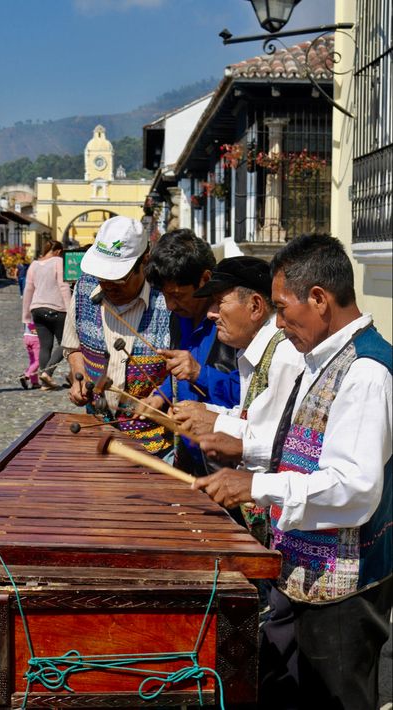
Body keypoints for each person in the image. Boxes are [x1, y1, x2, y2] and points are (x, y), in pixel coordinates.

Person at [193, 235, 392, 710]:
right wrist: (238, 444)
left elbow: (355, 487)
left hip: (345, 583)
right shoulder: (321, 357)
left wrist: (256, 485)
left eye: (282, 309)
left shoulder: (365, 371)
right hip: (307, 567)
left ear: (319, 299)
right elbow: (300, 446)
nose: (279, 324)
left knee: (338, 700)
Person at [171, 256, 304, 535]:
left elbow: (285, 445)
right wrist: (206, 414)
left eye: (219, 303)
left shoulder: (285, 357)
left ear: (255, 306)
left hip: (286, 524)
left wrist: (216, 423)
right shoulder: (253, 350)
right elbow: (255, 418)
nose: (210, 314)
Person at [62, 215, 172, 455]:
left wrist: (160, 398)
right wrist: (78, 378)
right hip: (98, 434)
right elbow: (73, 347)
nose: (109, 286)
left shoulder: (168, 301)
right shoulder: (84, 288)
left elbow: (182, 369)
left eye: (118, 279)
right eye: (103, 277)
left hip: (154, 445)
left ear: (144, 261)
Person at [143, 230, 240, 474]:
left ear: (205, 279)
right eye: (165, 295)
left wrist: (200, 373)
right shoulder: (179, 316)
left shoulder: (232, 324)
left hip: (226, 465)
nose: (170, 305)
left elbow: (250, 397)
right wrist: (160, 395)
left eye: (177, 295)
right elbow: (180, 370)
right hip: (189, 456)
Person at [22, 240, 71, 389]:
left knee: (45, 346)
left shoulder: (34, 265)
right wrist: (70, 309)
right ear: (57, 251)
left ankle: (45, 383)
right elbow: (63, 286)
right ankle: (47, 374)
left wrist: (26, 314)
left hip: (37, 309)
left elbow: (28, 289)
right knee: (66, 343)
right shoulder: (57, 261)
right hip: (57, 308)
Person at [19, 322, 40, 389]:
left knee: (33, 361)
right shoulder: (35, 312)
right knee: (38, 361)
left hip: (26, 336)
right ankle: (26, 375)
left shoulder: (26, 313)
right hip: (35, 337)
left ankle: (34, 382)